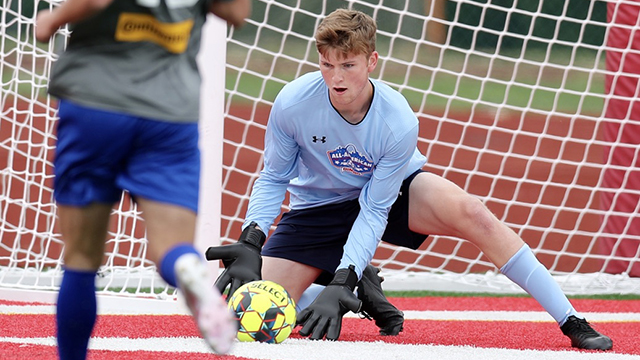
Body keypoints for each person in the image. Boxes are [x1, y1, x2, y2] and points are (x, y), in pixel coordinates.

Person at [205, 8, 613, 350]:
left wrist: (344, 272)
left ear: (371, 62)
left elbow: (374, 209)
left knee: (473, 212)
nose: (337, 78)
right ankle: (352, 287)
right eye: (327, 65)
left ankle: (571, 319)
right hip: (317, 208)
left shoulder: (397, 120)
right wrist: (251, 238)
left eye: (348, 65)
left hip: (394, 194)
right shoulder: (292, 103)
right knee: (247, 313)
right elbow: (274, 176)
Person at [35, 0, 250, 358]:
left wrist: (51, 20)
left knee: (82, 258)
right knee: (172, 249)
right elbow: (236, 12)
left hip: (96, 103)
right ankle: (187, 267)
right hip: (169, 113)